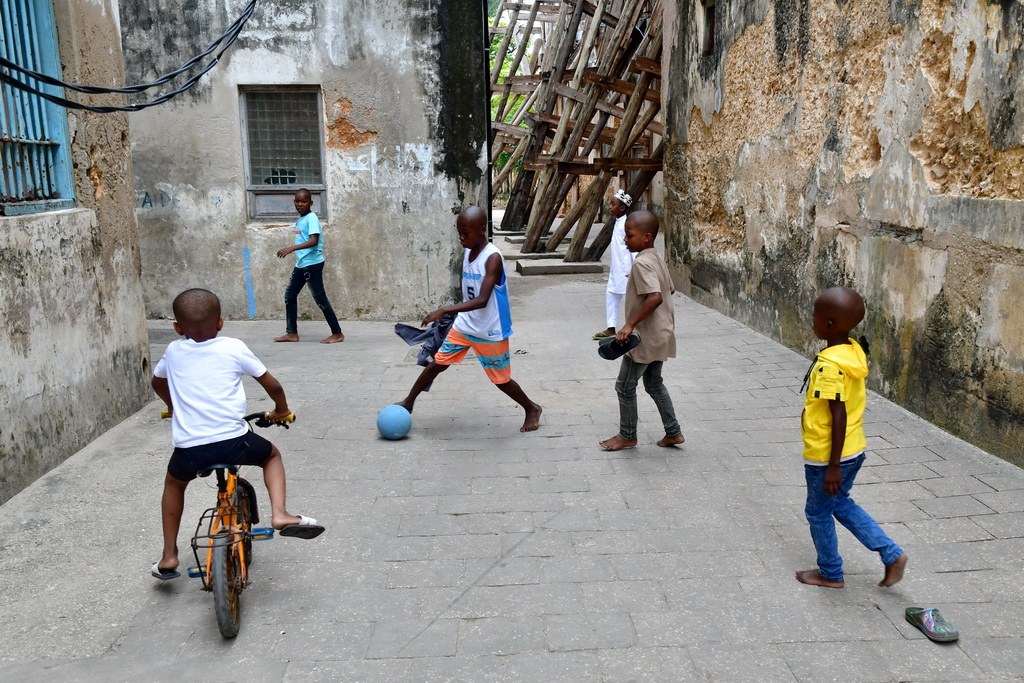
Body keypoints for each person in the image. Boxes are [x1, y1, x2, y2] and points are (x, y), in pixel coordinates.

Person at [151, 288, 323, 580]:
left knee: (174, 484)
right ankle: (280, 513)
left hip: (190, 451)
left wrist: (173, 406)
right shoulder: (233, 346)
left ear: (177, 328)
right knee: (271, 457)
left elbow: (157, 382)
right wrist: (280, 410)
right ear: (220, 323)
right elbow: (274, 386)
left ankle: (169, 556)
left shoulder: (173, 350)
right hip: (235, 442)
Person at [795, 286, 908, 589]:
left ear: (829, 326)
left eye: (815, 316)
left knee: (817, 513)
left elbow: (838, 414)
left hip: (828, 456)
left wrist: (831, 465)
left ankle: (830, 573)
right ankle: (891, 554)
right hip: (853, 449)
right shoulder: (852, 351)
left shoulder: (831, 366)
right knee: (840, 504)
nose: (812, 320)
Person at [397, 206, 543, 432]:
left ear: (482, 230)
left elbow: (483, 299)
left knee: (500, 379)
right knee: (437, 363)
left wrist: (445, 310)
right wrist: (454, 314)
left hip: (490, 330)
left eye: (465, 233)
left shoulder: (492, 258)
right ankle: (408, 403)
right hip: (465, 325)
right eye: (459, 233)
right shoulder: (468, 250)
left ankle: (532, 408)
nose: (461, 238)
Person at [599, 210, 685, 451]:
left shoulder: (642, 262)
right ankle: (673, 432)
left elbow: (655, 296)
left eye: (629, 235)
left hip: (644, 339)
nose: (625, 239)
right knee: (654, 383)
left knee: (624, 385)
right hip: (662, 332)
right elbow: (670, 290)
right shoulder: (655, 257)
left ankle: (627, 435)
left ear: (646, 237)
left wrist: (629, 324)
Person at [274, 188, 346, 344]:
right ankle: (292, 333)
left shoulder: (312, 218)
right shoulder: (302, 220)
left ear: (311, 203)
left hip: (312, 265)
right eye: (297, 201)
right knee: (290, 296)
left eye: (304, 201)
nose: (300, 204)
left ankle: (337, 333)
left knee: (320, 299)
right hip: (302, 265)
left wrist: (291, 248)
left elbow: (314, 240)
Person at [593, 189, 635, 340]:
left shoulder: (628, 224)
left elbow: (634, 249)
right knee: (611, 294)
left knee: (630, 300)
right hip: (616, 268)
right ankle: (611, 328)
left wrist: (635, 268)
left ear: (622, 208)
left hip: (626, 269)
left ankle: (632, 328)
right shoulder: (618, 222)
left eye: (613, 204)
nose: (609, 207)